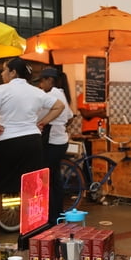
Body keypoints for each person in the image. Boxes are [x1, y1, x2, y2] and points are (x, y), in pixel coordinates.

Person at [0, 57, 63, 245]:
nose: (2, 74)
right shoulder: (36, 92)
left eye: (5, 70)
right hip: (32, 142)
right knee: (31, 189)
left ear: (13, 72)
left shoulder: (1, 90)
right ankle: (31, 232)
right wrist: (42, 122)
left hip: (8, 141)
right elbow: (59, 106)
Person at [35, 67, 73, 225]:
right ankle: (57, 214)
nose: (40, 85)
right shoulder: (61, 93)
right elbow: (70, 116)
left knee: (47, 180)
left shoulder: (51, 96)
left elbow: (38, 116)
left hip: (51, 142)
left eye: (42, 81)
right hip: (61, 141)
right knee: (55, 179)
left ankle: (50, 217)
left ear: (50, 80)